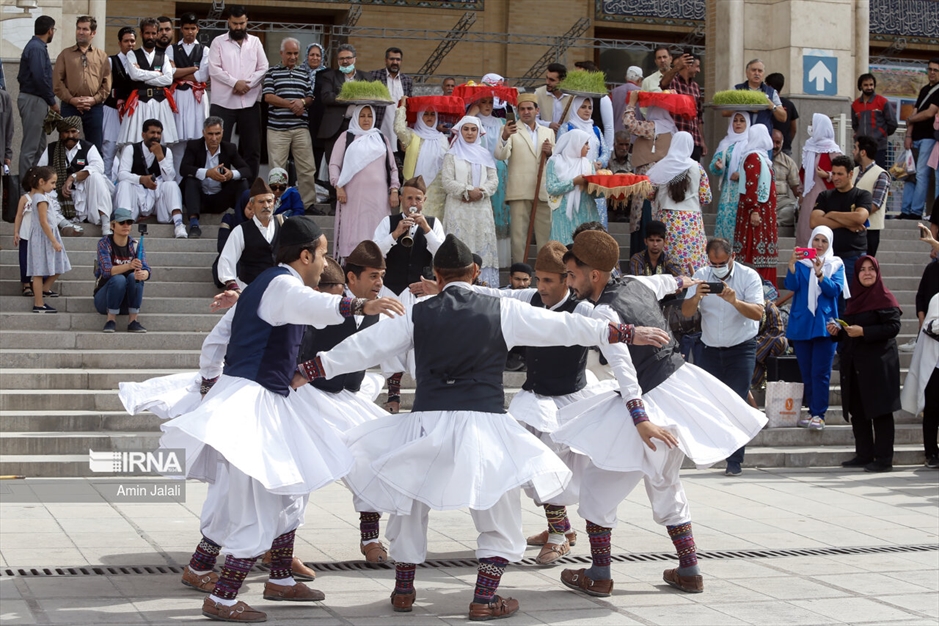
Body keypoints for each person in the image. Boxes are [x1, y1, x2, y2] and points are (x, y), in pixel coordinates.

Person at [295, 233, 648, 619]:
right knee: (497, 505)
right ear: (475, 272)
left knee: (409, 502)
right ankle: (483, 598)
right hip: (483, 422)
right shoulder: (500, 311)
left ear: (438, 275)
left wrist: (311, 369)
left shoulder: (419, 312)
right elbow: (562, 328)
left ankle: (403, 591)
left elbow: (365, 347)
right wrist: (624, 333)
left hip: (427, 420)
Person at [556, 230, 766, 594]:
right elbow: (668, 281)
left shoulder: (604, 310)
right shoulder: (637, 283)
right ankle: (689, 570)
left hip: (647, 403)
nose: (569, 284)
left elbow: (625, 371)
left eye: (572, 275)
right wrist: (691, 280)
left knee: (597, 485)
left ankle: (600, 575)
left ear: (594, 274)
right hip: (678, 390)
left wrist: (641, 420)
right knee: (666, 483)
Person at [682, 238, 764, 475]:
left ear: (732, 257)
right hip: (709, 348)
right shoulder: (701, 274)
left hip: (741, 348)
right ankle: (713, 452)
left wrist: (734, 301)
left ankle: (734, 461)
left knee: (736, 402)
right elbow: (686, 312)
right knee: (711, 403)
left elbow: (758, 313)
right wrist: (696, 296)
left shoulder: (748, 276)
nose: (717, 267)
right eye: (713, 262)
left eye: (722, 262)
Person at [828, 256, 901, 472]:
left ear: (878, 273)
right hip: (856, 365)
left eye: (871, 269)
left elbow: (893, 327)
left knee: (880, 411)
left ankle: (884, 459)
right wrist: (837, 332)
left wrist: (865, 331)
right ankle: (864, 454)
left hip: (879, 365)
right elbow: (849, 333)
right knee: (858, 411)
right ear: (856, 274)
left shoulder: (885, 298)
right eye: (863, 270)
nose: (867, 273)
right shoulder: (853, 300)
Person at [784, 225, 847, 431]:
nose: (819, 245)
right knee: (806, 370)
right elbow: (792, 286)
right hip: (802, 323)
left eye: (824, 241)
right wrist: (792, 266)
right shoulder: (802, 263)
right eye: (816, 240)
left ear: (830, 244)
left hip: (825, 324)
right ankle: (812, 411)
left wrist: (821, 274)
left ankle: (819, 413)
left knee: (821, 372)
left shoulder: (836, 264)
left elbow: (834, 290)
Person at [330, 104, 400, 260]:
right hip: (352, 197)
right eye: (362, 116)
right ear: (356, 117)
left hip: (379, 198)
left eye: (369, 116)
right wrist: (338, 186)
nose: (366, 119)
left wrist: (394, 190)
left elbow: (392, 168)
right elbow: (334, 164)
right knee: (353, 231)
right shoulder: (346, 137)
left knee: (377, 231)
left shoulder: (381, 138)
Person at [207, 4, 268, 180]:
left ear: (246, 21)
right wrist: (235, 83)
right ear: (228, 22)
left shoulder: (255, 42)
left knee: (252, 148)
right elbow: (214, 69)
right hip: (223, 103)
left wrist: (246, 84)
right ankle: (221, 186)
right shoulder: (218, 42)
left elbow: (263, 67)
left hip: (249, 102)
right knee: (219, 146)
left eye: (241, 23)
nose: (238, 27)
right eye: (235, 23)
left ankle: (249, 190)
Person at [494, 94, 555, 264]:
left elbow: (555, 162)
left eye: (530, 108)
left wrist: (550, 152)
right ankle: (520, 273)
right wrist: (505, 137)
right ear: (518, 111)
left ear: (537, 110)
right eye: (522, 109)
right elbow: (500, 155)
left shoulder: (548, 132)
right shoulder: (511, 130)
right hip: (519, 190)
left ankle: (544, 270)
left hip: (543, 190)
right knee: (518, 236)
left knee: (545, 235)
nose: (526, 112)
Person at [442, 116, 500, 286]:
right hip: (458, 208)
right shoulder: (451, 155)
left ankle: (483, 285)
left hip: (481, 208)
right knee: (460, 245)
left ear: (478, 132)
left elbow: (493, 180)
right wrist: (467, 191)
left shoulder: (485, 154)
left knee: (482, 244)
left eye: (473, 129)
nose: (469, 133)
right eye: (466, 129)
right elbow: (447, 182)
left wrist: (480, 192)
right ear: (459, 131)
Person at [263, 37, 318, 210]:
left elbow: (310, 97)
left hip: (301, 128)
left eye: (295, 53)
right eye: (289, 53)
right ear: (281, 53)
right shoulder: (271, 72)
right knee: (277, 170)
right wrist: (291, 104)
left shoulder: (304, 73)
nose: (293, 57)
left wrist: (302, 102)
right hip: (277, 129)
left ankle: (307, 204)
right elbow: (268, 97)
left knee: (307, 168)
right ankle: (278, 204)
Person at [646, 131, 709, 276]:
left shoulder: (660, 167)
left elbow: (649, 193)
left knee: (668, 259)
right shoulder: (697, 168)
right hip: (691, 222)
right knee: (692, 260)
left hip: (667, 219)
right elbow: (706, 198)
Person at [38, 115, 114, 234]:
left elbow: (99, 166)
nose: (70, 136)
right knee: (40, 190)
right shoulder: (52, 149)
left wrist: (73, 177)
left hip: (84, 194)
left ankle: (106, 224)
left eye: (73, 131)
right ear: (60, 133)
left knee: (96, 177)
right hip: (59, 195)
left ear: (78, 132)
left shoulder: (88, 147)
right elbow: (40, 171)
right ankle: (65, 224)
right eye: (66, 132)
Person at [622, 89, 676, 254]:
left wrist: (631, 104)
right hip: (660, 186)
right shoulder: (671, 128)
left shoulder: (654, 127)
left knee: (643, 221)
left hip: (648, 185)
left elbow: (629, 124)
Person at [178, 116, 251, 238]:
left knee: (241, 182)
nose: (214, 138)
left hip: (220, 199)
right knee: (190, 180)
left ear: (222, 133)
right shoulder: (194, 146)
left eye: (217, 134)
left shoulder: (229, 148)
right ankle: (194, 224)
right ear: (203, 133)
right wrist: (207, 173)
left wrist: (231, 174)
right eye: (210, 134)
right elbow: (183, 169)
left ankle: (241, 222)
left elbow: (247, 170)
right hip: (198, 198)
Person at [810, 155, 871, 297]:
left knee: (851, 299)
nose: (835, 178)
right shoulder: (825, 196)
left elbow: (860, 217)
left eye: (840, 174)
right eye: (834, 173)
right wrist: (847, 223)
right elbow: (814, 222)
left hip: (853, 256)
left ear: (850, 174)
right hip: (828, 258)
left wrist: (830, 214)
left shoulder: (862, 195)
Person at [373, 176, 444, 296]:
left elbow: (441, 255)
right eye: (409, 198)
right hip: (391, 291)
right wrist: (395, 234)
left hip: (422, 292)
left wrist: (427, 230)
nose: (413, 203)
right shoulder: (387, 221)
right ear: (401, 199)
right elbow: (375, 254)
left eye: (418, 199)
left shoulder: (433, 223)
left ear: (424, 200)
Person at [114, 118, 183, 233]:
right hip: (136, 194)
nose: (156, 136)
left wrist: (160, 157)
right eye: (152, 132)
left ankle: (179, 224)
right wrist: (141, 179)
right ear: (143, 134)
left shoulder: (166, 152)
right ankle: (124, 222)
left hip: (156, 195)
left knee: (171, 185)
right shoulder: (131, 149)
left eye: (158, 133)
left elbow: (169, 177)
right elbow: (121, 174)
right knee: (124, 184)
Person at [118, 18, 178, 148]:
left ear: (157, 34)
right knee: (136, 143)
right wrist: (157, 74)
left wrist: (143, 74)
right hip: (140, 102)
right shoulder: (132, 55)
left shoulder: (164, 57)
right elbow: (134, 75)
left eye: (153, 33)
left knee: (161, 143)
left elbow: (168, 79)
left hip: (160, 103)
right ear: (141, 34)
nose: (150, 36)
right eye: (147, 33)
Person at [53, 16, 109, 155]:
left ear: (93, 33)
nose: (81, 32)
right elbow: (57, 82)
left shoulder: (101, 56)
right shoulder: (65, 54)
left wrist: (94, 99)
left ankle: (94, 175)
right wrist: (72, 100)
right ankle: (66, 174)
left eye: (85, 29)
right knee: (67, 145)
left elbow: (107, 83)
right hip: (70, 106)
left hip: (94, 107)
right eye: (78, 28)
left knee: (95, 147)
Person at [218, 177, 282, 292]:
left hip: (279, 289)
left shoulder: (284, 224)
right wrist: (234, 287)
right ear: (251, 205)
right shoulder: (240, 231)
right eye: (261, 202)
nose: (266, 206)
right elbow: (226, 260)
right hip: (250, 289)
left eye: (269, 201)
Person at [317, 44, 371, 182]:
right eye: (341, 59)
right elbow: (326, 97)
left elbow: (372, 98)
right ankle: (334, 199)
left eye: (348, 58)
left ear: (355, 59)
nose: (345, 61)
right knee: (334, 165)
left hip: (359, 128)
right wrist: (351, 96)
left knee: (357, 164)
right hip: (335, 128)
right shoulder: (329, 76)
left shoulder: (366, 77)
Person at [733, 124, 778, 283]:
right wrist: (754, 209)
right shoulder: (753, 157)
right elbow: (752, 185)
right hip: (758, 212)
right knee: (755, 247)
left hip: (764, 212)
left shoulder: (761, 156)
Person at [94, 207, 150, 333]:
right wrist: (129, 266)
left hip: (126, 300)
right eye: (121, 222)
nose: (126, 226)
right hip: (105, 299)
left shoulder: (135, 244)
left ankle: (133, 320)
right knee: (118, 279)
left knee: (134, 277)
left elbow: (147, 269)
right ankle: (111, 320)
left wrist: (143, 274)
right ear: (112, 226)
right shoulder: (104, 243)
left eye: (129, 223)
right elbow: (106, 271)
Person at [469, 95, 511, 265]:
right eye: (483, 102)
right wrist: (472, 113)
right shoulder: (471, 123)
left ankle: (499, 258)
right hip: (478, 171)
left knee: (500, 214)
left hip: (499, 170)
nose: (487, 106)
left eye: (489, 102)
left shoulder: (500, 122)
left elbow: (506, 146)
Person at [17, 15, 59, 185]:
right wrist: (52, 101)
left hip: (38, 100)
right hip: (34, 99)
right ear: (50, 30)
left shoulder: (37, 46)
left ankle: (36, 186)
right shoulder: (36, 48)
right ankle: (26, 190)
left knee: (40, 147)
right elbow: (39, 77)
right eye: (53, 30)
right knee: (30, 148)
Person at [24, 166, 71, 313]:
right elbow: (43, 222)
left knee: (61, 263)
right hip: (43, 238)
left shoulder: (42, 197)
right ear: (41, 182)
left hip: (47, 236)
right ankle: (39, 303)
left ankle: (45, 288)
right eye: (52, 183)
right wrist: (53, 241)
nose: (54, 186)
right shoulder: (40, 199)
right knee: (38, 271)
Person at [901, 293, 939, 469]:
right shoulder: (937, 299)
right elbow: (930, 327)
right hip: (935, 366)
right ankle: (931, 452)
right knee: (932, 410)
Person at [169, 13, 210, 176]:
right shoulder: (171, 49)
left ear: (198, 29)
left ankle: (195, 180)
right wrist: (193, 70)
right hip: (177, 97)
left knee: (197, 140)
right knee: (178, 143)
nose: (190, 32)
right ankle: (177, 183)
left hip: (196, 98)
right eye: (186, 28)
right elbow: (169, 73)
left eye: (193, 28)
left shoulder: (204, 49)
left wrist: (180, 73)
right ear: (181, 29)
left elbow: (203, 75)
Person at [393, 98, 448, 219]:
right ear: (419, 116)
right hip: (414, 185)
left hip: (436, 189)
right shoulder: (412, 135)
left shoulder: (442, 139)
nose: (430, 117)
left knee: (433, 223)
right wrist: (402, 107)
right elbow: (399, 129)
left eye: (433, 114)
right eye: (426, 114)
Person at [899, 58, 939, 220]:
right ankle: (905, 210)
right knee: (909, 174)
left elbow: (929, 113)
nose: (932, 73)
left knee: (921, 175)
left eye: (936, 70)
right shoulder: (924, 90)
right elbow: (915, 112)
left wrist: (911, 120)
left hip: (929, 138)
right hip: (915, 137)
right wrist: (909, 134)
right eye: (930, 69)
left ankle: (916, 211)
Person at [546, 129, 600, 245]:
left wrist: (608, 189)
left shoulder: (588, 164)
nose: (589, 147)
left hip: (587, 213)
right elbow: (551, 188)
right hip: (564, 215)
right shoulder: (555, 162)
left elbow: (592, 192)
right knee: (564, 251)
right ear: (576, 143)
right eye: (585, 143)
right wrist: (573, 182)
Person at [798, 113, 843, 247]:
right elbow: (803, 171)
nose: (810, 127)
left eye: (813, 124)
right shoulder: (809, 147)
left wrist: (828, 175)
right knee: (805, 230)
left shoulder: (832, 150)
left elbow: (842, 172)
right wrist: (800, 192)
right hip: (809, 196)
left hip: (825, 196)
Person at [710, 111, 750, 241]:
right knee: (725, 224)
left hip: (746, 193)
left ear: (748, 123)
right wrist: (717, 167)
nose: (738, 123)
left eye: (742, 120)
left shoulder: (751, 143)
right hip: (728, 194)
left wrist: (741, 174)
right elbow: (713, 167)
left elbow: (759, 168)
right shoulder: (725, 143)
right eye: (735, 120)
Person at [658, 53, 706, 161]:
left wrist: (702, 141)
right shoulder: (673, 82)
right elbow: (663, 84)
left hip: (695, 141)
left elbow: (699, 117)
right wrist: (677, 67)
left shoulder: (696, 87)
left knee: (693, 175)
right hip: (676, 140)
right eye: (697, 66)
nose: (698, 70)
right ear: (688, 66)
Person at [102, 27, 136, 180]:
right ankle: (106, 189)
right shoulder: (111, 61)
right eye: (126, 41)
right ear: (119, 43)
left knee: (129, 151)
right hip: (112, 109)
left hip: (131, 111)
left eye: (132, 41)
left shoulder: (138, 61)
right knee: (109, 149)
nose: (130, 44)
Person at [851, 135, 890, 257]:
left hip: (869, 230)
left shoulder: (881, 174)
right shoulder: (854, 171)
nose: (853, 151)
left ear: (863, 152)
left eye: (855, 148)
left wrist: (856, 216)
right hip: (851, 228)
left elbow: (875, 205)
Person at [851, 72, 897, 168]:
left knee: (877, 175)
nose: (869, 87)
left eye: (871, 85)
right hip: (861, 148)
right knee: (859, 175)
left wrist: (880, 134)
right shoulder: (855, 104)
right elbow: (855, 125)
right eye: (866, 85)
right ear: (860, 86)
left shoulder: (882, 101)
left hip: (878, 147)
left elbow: (892, 123)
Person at [372, 47, 413, 148]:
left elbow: (409, 107)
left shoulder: (407, 80)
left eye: (398, 59)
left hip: (399, 129)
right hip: (379, 127)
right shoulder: (374, 76)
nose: (395, 62)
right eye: (392, 59)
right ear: (386, 60)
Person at [734, 59, 787, 135]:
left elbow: (783, 117)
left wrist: (772, 106)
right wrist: (746, 106)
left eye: (760, 71)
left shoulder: (771, 92)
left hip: (763, 140)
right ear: (747, 73)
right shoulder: (737, 89)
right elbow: (725, 113)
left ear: (763, 74)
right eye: (753, 70)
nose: (757, 73)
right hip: (742, 138)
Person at [299, 43, 328, 183]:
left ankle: (315, 184)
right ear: (307, 56)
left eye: (318, 55)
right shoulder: (298, 72)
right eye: (312, 55)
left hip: (318, 120)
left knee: (316, 152)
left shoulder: (327, 74)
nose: (315, 58)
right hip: (298, 118)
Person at [752, 281, 788, 389]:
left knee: (781, 342)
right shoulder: (737, 304)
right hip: (742, 346)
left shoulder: (768, 306)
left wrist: (757, 347)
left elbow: (777, 330)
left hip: (764, 346)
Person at [772, 129, 802, 227]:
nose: (774, 146)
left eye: (778, 143)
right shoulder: (757, 158)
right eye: (772, 142)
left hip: (781, 201)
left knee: (793, 208)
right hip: (761, 201)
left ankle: (774, 222)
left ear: (782, 143)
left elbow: (796, 188)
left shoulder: (788, 162)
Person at [764, 73, 798, 156]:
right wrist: (786, 140)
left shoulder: (767, 103)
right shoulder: (789, 104)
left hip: (768, 146)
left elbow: (793, 129)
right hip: (785, 146)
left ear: (769, 86)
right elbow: (793, 129)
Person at [535, 63, 572, 134]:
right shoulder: (538, 93)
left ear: (562, 81)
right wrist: (548, 125)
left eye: (552, 80)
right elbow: (533, 118)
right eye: (547, 78)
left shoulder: (572, 96)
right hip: (545, 138)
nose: (547, 82)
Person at [611, 66, 642, 135]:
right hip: (635, 135)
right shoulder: (642, 93)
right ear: (639, 80)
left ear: (626, 77)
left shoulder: (614, 92)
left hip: (616, 135)